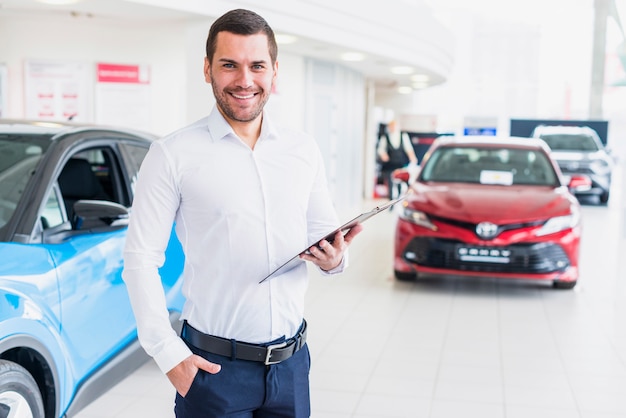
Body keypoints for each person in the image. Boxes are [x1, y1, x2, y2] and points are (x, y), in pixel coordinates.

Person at [122, 8, 363, 418]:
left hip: (290, 368)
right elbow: (140, 259)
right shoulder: (172, 154)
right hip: (213, 371)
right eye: (229, 65)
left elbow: (324, 234)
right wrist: (168, 355)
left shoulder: (302, 150)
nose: (245, 80)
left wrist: (335, 258)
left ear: (274, 72)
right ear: (207, 69)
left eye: (257, 66)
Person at [376, 119, 418, 199]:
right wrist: (383, 155)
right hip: (390, 164)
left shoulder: (403, 136)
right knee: (390, 183)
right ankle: (391, 200)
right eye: (391, 127)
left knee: (400, 181)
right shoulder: (385, 137)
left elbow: (408, 148)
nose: (393, 128)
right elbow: (381, 150)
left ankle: (398, 198)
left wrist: (412, 157)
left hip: (399, 163)